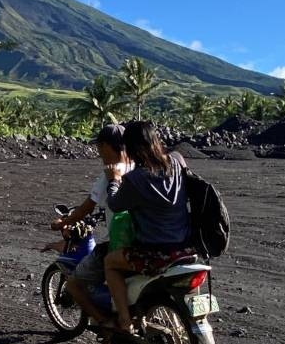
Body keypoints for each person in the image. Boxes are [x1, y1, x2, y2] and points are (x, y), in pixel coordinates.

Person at [103, 121, 197, 332]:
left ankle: (125, 320)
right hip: (186, 247)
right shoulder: (177, 161)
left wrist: (114, 180)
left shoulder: (135, 179)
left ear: (131, 148)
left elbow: (115, 204)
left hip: (155, 253)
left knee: (110, 262)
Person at [51, 124, 134, 327]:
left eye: (99, 146)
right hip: (144, 237)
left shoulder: (110, 173)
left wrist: (63, 222)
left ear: (106, 146)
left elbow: (87, 207)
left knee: (74, 285)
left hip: (118, 243)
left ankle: (104, 323)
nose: (98, 152)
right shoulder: (137, 167)